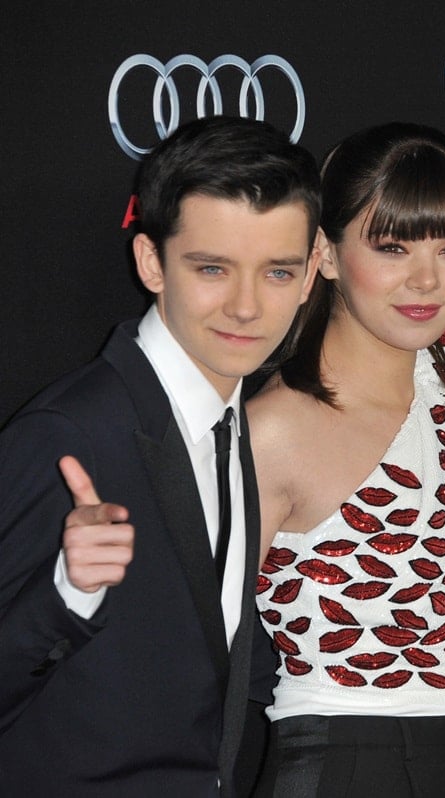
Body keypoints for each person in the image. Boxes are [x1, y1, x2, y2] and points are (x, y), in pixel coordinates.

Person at [0, 116, 321, 796]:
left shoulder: (241, 419)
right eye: (211, 269)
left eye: (276, 272)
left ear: (308, 276)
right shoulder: (68, 436)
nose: (245, 306)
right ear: (151, 262)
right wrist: (66, 592)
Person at [248, 122, 445, 797]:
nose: (426, 279)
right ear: (326, 255)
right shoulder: (274, 431)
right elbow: (184, 645)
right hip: (339, 757)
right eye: (391, 247)